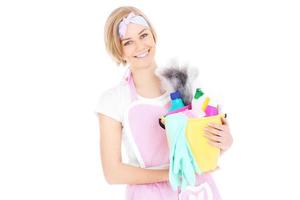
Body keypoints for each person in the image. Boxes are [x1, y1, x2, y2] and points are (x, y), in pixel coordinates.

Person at [95, 6, 233, 200]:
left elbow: (203, 147)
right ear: (118, 50)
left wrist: (225, 142)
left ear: (153, 35)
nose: (140, 46)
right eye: (128, 42)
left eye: (143, 35)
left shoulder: (182, 82)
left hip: (196, 190)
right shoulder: (113, 101)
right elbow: (113, 172)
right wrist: (173, 174)